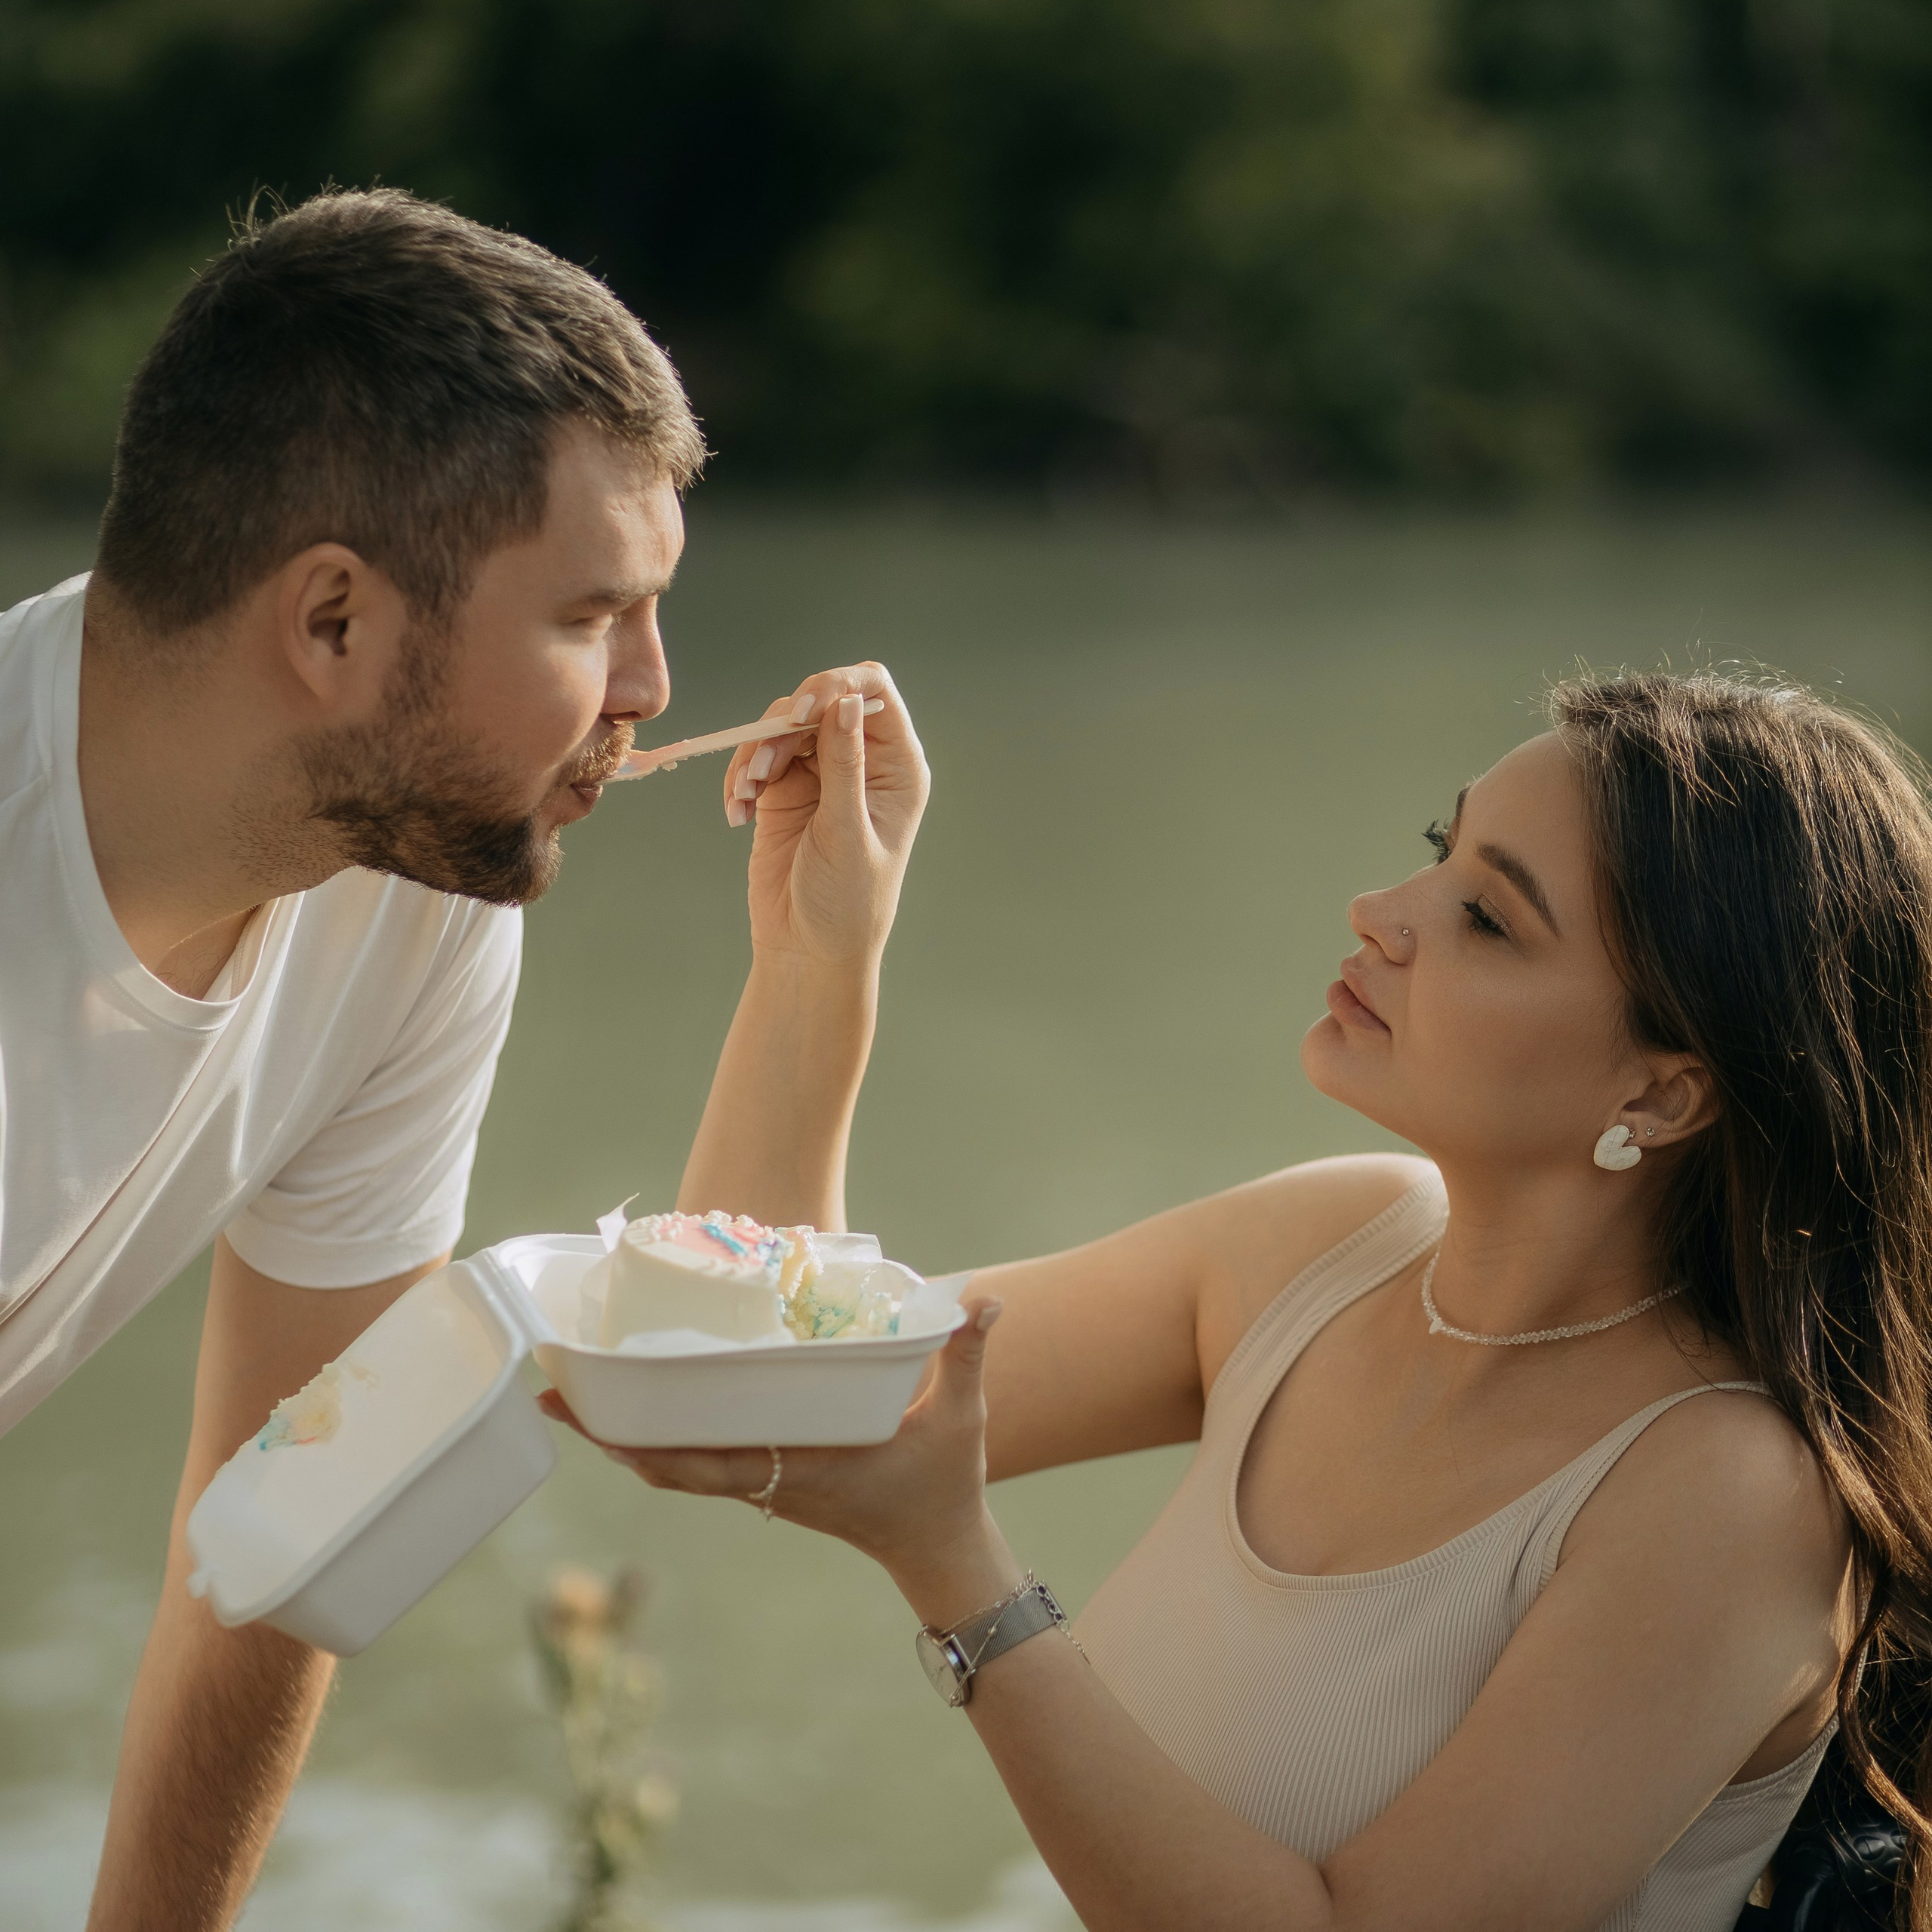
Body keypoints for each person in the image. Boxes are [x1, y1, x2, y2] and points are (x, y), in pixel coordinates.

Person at [564, 670, 1932, 1930]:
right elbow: (762, 1364)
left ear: (1660, 1091)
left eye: (1485, 916)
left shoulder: (1730, 1494)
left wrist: (956, 1569)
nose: (1382, 913)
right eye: (1434, 849)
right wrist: (821, 944)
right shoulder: (1333, 1243)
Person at [0, 186, 928, 1930]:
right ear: (334, 622)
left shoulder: (419, 897)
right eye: (593, 617)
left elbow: (292, 1509)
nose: (654, 683)